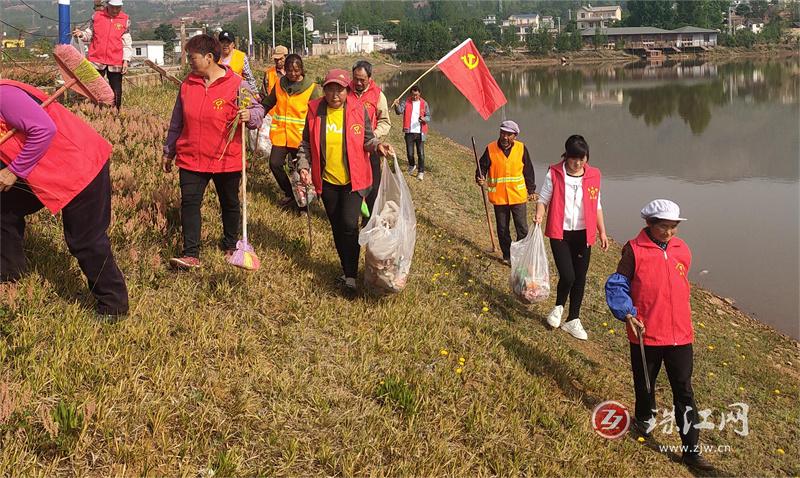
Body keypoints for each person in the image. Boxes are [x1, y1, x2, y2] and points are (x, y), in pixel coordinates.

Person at [0, 80, 129, 318]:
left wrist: (13, 171)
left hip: (79, 165)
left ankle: (114, 306)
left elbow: (43, 130)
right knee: (3, 207)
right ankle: (9, 274)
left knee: (85, 240)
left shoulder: (3, 95)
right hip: (44, 172)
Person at [604, 200, 713, 471]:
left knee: (684, 391)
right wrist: (626, 312)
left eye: (673, 227)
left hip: (680, 335)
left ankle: (691, 450)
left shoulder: (681, 249)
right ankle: (644, 418)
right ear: (649, 224)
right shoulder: (634, 250)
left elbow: (680, 280)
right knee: (645, 384)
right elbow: (618, 284)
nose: (669, 233)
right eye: (664, 227)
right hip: (645, 333)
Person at [162, 34, 264, 269]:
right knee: (189, 203)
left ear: (209, 57)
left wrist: (250, 116)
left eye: (192, 57)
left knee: (229, 203)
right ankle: (191, 254)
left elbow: (258, 110)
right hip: (191, 157)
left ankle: (230, 245)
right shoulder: (188, 84)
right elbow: (176, 120)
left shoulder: (236, 84)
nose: (189, 61)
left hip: (225, 157)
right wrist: (169, 150)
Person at [295, 69, 395, 295]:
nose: (334, 94)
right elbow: (306, 144)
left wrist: (378, 146)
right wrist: (303, 165)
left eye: (339, 89)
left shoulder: (358, 110)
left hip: (354, 181)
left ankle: (350, 276)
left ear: (346, 90)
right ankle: (347, 267)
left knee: (350, 225)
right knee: (337, 227)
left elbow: (368, 139)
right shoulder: (314, 111)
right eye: (330, 88)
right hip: (327, 181)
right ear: (324, 89)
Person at [534, 134, 608, 340]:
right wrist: (540, 214)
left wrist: (602, 231)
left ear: (587, 158)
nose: (577, 163)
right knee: (568, 275)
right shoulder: (555, 173)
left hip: (584, 234)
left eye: (582, 159)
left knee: (580, 278)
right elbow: (543, 199)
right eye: (573, 158)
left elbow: (597, 205)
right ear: (566, 156)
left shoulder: (594, 175)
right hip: (560, 233)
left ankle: (573, 319)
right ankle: (558, 308)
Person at [260, 54, 322, 209]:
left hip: (300, 138)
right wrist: (257, 114)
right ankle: (290, 193)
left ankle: (303, 204)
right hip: (281, 135)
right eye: (289, 70)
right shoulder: (280, 84)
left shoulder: (311, 89)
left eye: (296, 70)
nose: (293, 73)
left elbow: (318, 114)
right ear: (285, 70)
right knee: (274, 164)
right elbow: (268, 102)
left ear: (302, 69)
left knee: (300, 172)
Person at [475, 120, 536, 264]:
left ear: (515, 136)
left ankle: (522, 256)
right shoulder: (490, 149)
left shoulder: (521, 148)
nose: (505, 137)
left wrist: (531, 189)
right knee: (503, 229)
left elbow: (528, 170)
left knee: (522, 228)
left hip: (517, 196)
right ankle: (507, 256)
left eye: (509, 134)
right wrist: (480, 177)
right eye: (503, 133)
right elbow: (482, 167)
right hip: (499, 197)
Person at [350, 60, 391, 223]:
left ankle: (368, 222)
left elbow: (385, 121)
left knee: (373, 186)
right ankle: (351, 216)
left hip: (371, 148)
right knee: (352, 184)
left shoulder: (378, 95)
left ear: (370, 78)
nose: (358, 83)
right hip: (350, 147)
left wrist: (372, 135)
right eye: (356, 79)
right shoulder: (346, 91)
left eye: (362, 80)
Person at [72, 0, 132, 110]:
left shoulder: (125, 20)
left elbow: (127, 42)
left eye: (118, 7)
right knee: (95, 87)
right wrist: (81, 34)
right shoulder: (97, 17)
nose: (115, 10)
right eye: (113, 7)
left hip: (116, 60)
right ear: (107, 5)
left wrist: (126, 60)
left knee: (116, 89)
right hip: (96, 58)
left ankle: (116, 113)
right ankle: (94, 111)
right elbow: (89, 34)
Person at [392, 85, 430, 181]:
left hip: (420, 132)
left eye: (416, 95)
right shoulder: (406, 102)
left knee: (421, 153)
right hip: (409, 132)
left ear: (419, 94)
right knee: (410, 153)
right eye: (413, 95)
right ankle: (412, 165)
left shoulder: (424, 103)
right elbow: (399, 112)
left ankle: (421, 171)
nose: (415, 97)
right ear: (410, 94)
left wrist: (424, 119)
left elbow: (429, 117)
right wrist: (396, 105)